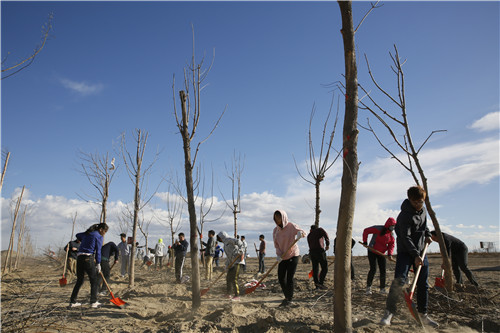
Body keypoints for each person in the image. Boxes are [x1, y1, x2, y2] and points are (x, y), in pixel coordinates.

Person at [380, 185, 438, 328]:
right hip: (406, 252)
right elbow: (405, 237)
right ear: (410, 200)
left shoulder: (423, 211)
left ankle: (423, 314)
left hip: (420, 252)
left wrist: (428, 235)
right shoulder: (404, 216)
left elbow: (424, 227)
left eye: (421, 202)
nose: (418, 205)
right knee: (399, 281)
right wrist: (415, 255)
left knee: (423, 283)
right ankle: (389, 312)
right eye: (415, 202)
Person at [69, 223, 108, 308]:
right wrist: (98, 263)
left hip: (79, 258)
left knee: (80, 280)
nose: (104, 233)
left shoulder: (87, 234)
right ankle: (93, 302)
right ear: (101, 229)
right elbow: (98, 251)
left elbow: (77, 235)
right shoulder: (99, 237)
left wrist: (85, 237)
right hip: (88, 258)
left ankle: (72, 301)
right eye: (105, 231)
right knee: (94, 280)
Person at [273, 210, 306, 307]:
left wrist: (301, 234)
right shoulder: (275, 231)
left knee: (289, 277)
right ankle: (287, 297)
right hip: (283, 256)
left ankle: (289, 299)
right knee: (281, 277)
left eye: (278, 217)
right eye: (275, 218)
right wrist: (278, 255)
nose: (277, 220)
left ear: (283, 217)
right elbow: (277, 245)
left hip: (293, 255)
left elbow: (303, 232)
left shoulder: (291, 226)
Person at [362, 217, 396, 295]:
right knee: (373, 269)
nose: (393, 228)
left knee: (383, 270)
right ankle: (368, 288)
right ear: (388, 225)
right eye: (392, 226)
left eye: (394, 226)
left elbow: (391, 244)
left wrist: (390, 254)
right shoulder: (378, 229)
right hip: (372, 251)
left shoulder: (391, 234)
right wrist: (365, 241)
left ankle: (382, 289)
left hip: (381, 253)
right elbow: (366, 231)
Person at [216, 231, 244, 301]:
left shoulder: (230, 240)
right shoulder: (225, 244)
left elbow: (240, 243)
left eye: (219, 238)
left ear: (222, 237)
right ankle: (228, 294)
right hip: (232, 263)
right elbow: (229, 257)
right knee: (228, 278)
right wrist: (227, 265)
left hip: (238, 261)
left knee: (234, 279)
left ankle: (237, 296)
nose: (219, 240)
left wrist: (241, 251)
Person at [307, 225, 330, 290]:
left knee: (315, 268)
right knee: (325, 267)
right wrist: (327, 244)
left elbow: (309, 245)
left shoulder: (309, 235)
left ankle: (317, 284)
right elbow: (326, 235)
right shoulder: (319, 230)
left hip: (312, 252)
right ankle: (321, 283)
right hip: (319, 251)